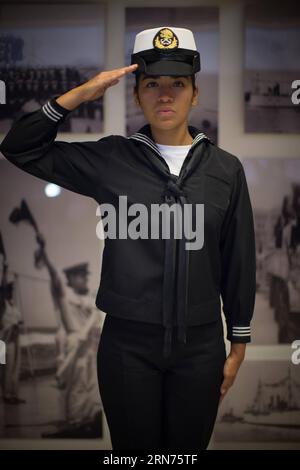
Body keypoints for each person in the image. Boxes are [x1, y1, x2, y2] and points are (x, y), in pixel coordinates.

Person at [0, 26, 256, 450]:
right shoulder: (112, 159)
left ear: (195, 93)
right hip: (127, 348)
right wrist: (80, 94)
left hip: (200, 348)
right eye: (152, 84)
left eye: (178, 84)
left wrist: (239, 343)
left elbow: (239, 259)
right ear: (136, 95)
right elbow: (19, 147)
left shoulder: (225, 170)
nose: (165, 95)